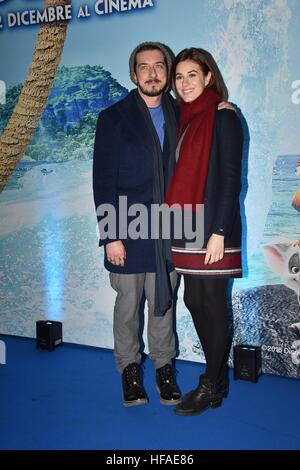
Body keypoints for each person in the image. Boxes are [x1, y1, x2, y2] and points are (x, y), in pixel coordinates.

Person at [93, 42, 233, 408]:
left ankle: (164, 367)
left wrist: (222, 108)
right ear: (134, 73)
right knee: (128, 304)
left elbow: (210, 134)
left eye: (159, 67)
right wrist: (111, 236)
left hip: (170, 230)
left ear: (167, 74)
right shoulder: (113, 117)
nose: (152, 73)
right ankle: (128, 369)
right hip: (129, 228)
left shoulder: (181, 111)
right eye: (144, 67)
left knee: (164, 303)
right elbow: (102, 181)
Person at [165, 48, 244, 416]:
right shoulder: (183, 118)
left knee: (212, 303)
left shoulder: (223, 116)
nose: (184, 83)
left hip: (214, 227)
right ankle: (220, 377)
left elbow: (230, 180)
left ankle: (210, 385)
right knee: (194, 301)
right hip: (185, 225)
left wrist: (220, 231)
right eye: (179, 77)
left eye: (192, 75)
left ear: (208, 76)